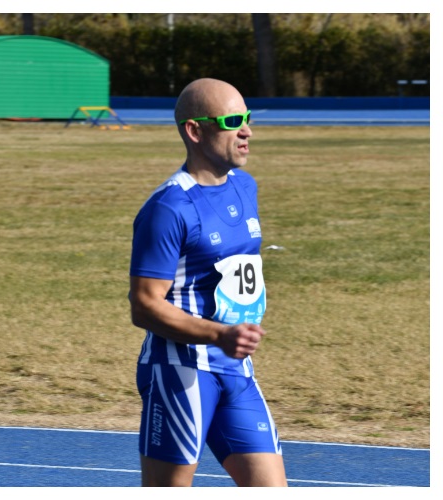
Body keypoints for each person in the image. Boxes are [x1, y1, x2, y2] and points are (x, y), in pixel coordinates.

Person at [128, 78, 286, 487]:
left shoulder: (244, 186)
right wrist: (219, 334)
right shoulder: (168, 208)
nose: (246, 131)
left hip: (236, 368)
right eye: (232, 121)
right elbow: (144, 305)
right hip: (180, 370)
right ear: (195, 131)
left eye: (247, 119)